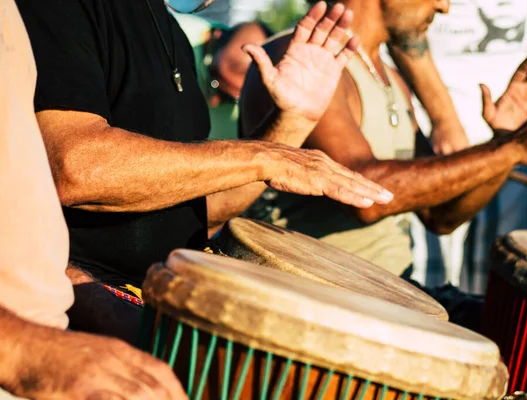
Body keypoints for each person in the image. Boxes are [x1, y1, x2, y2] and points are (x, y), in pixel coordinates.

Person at [16, 0, 392, 342]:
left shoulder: (171, 33)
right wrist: (265, 156)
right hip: (76, 306)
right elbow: (76, 169)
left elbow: (198, 203)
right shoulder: (59, 9)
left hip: (163, 293)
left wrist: (293, 120)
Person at [239, 0, 527, 280]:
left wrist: (504, 146)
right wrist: (509, 148)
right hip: (320, 295)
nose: (444, 7)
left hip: (396, 290)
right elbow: (365, 195)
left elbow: (441, 216)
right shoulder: (301, 60)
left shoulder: (393, 79)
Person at [0, 0, 186, 397]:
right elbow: (77, 168)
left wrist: (290, 125)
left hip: (58, 341)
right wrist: (21, 348)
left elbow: (22, 214)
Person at [388, 0, 527, 292]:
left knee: (501, 281)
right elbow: (401, 22)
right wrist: (444, 120)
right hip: (434, 135)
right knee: (425, 286)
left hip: (515, 129)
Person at [169, 9, 272, 140]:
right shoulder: (173, 34)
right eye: (212, 83)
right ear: (215, 35)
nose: (214, 101)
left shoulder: (248, 118)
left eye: (227, 98)